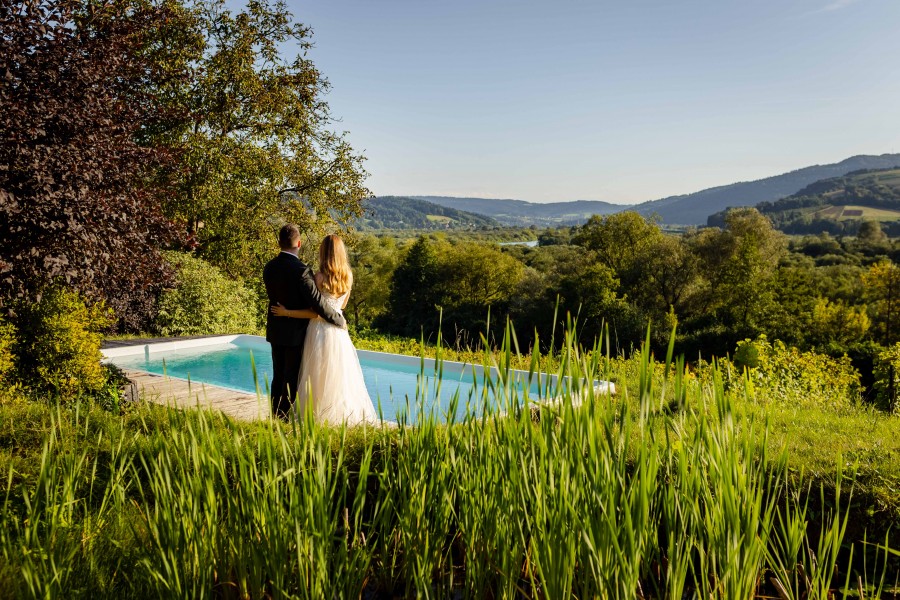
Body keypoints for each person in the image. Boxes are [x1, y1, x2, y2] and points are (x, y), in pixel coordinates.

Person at [271, 234, 379, 426]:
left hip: (318, 332)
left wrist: (287, 312)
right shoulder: (348, 276)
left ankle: (314, 416)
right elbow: (341, 307)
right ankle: (338, 417)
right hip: (338, 333)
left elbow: (315, 313)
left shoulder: (319, 277)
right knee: (338, 376)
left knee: (315, 376)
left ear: (323, 252)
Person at [263, 224, 347, 420]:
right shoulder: (302, 271)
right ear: (299, 243)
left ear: (279, 243)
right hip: (296, 331)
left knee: (278, 375)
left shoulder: (269, 267)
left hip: (276, 329)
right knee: (291, 377)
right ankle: (285, 417)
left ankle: (275, 415)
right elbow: (318, 304)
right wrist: (338, 319)